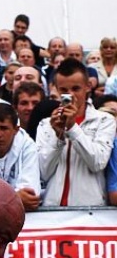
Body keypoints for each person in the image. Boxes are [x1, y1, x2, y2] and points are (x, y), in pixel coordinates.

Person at [37, 58, 115, 207]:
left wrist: (72, 128)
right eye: (64, 90)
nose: (70, 95)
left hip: (91, 209)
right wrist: (58, 136)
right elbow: (43, 172)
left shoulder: (105, 120)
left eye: (76, 88)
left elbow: (97, 163)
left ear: (88, 87)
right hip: (52, 209)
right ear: (56, 89)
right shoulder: (46, 124)